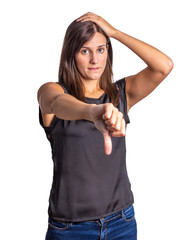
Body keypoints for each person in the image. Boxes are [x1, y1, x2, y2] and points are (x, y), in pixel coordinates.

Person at [38, 12, 173, 240]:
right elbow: (56, 103)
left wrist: (114, 33)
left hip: (122, 222)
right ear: (71, 54)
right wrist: (93, 112)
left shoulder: (120, 94)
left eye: (100, 49)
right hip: (70, 228)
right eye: (85, 51)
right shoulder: (52, 91)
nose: (94, 60)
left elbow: (164, 66)